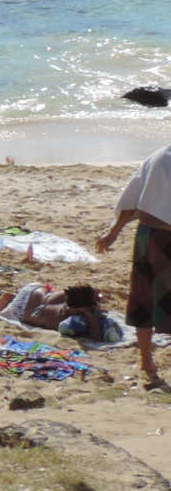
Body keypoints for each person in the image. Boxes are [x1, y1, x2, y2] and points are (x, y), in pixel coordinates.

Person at [95, 143, 171, 389]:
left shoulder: (157, 157)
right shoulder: (159, 158)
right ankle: (147, 362)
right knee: (146, 298)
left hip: (147, 236)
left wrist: (113, 232)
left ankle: (147, 362)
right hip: (162, 238)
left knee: (143, 298)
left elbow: (131, 201)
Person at [0, 284, 104, 331]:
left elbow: (94, 293)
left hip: (35, 288)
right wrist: (90, 316)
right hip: (20, 309)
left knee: (45, 299)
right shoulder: (62, 319)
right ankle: (10, 300)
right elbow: (96, 337)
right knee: (9, 308)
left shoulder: (72, 295)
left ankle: (13, 296)